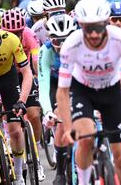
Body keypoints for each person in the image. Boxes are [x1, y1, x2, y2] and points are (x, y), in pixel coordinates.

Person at [56, 0, 121, 185]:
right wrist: (69, 126)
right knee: (86, 139)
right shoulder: (71, 44)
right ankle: (83, 181)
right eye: (88, 28)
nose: (94, 34)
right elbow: (62, 91)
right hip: (83, 91)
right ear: (80, 25)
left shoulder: (120, 39)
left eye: (99, 27)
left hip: (111, 91)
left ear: (106, 23)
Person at [1, 8, 46, 181]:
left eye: (19, 32)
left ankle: (35, 150)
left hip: (26, 72)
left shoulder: (29, 34)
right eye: (12, 32)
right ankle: (6, 138)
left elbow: (35, 59)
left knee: (34, 113)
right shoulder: (2, 40)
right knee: (6, 114)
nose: (17, 35)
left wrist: (38, 79)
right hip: (8, 75)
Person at [0, 9, 33, 185]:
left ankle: (17, 173)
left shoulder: (11, 40)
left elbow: (27, 73)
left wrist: (21, 101)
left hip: (8, 80)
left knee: (16, 130)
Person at [38, 14, 77, 185]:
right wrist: (47, 112)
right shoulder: (45, 51)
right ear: (50, 38)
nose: (61, 46)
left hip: (77, 82)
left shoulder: (82, 47)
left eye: (65, 41)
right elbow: (43, 84)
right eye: (57, 41)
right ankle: (60, 171)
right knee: (60, 117)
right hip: (56, 83)